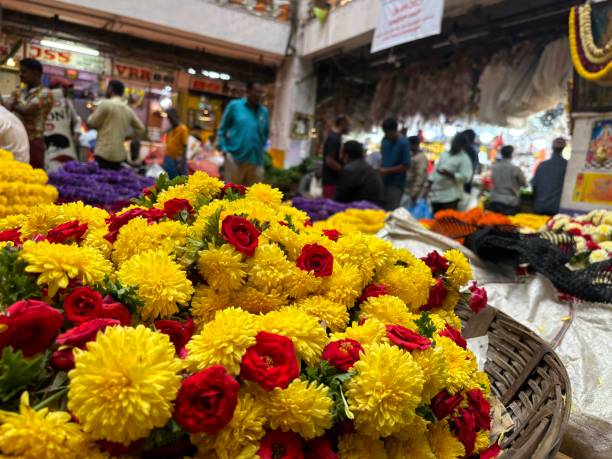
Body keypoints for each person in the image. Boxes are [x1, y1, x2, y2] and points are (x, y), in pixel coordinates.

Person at [218, 81, 270, 186]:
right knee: (232, 194)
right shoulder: (234, 106)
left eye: (261, 92)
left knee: (252, 196)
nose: (259, 95)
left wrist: (260, 147)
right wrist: (224, 149)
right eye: (257, 92)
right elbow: (222, 129)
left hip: (256, 161)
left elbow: (266, 133)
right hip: (235, 158)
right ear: (248, 91)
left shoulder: (264, 112)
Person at [87, 79, 145, 170]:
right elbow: (141, 129)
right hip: (119, 156)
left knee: (100, 181)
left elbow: (91, 123)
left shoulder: (105, 104)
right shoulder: (128, 110)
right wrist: (127, 137)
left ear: (110, 89)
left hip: (103, 153)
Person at [7, 58, 54, 169]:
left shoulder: (45, 93)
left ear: (36, 73)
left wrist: (13, 105)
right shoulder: (20, 92)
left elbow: (26, 110)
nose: (20, 75)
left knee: (32, 173)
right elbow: (7, 108)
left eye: (24, 71)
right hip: (15, 138)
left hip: (33, 141)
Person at [428, 132, 473, 213]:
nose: (454, 145)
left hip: (450, 196)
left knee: (446, 222)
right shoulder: (444, 154)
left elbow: (466, 177)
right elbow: (435, 170)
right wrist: (429, 185)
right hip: (436, 194)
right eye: (453, 142)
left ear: (462, 146)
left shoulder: (464, 159)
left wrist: (450, 174)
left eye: (457, 143)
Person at [45, 79, 82, 171]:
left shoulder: (67, 103)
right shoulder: (45, 101)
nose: (66, 90)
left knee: (65, 166)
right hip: (49, 141)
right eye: (63, 88)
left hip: (65, 141)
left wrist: (76, 134)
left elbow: (77, 120)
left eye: (66, 88)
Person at [335, 140, 384, 207]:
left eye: (341, 153)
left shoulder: (349, 170)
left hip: (359, 211)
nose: (340, 157)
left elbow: (339, 199)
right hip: (376, 210)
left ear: (346, 155)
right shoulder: (369, 169)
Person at [379, 118, 411, 211]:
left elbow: (406, 165)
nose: (386, 135)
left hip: (396, 184)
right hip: (383, 181)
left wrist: (387, 170)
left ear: (394, 130)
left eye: (388, 132)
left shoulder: (403, 143)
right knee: (380, 209)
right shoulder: (385, 140)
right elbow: (383, 158)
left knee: (390, 210)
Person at [531, 138, 568, 216]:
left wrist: (535, 202)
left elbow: (534, 185)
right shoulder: (567, 166)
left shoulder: (542, 165)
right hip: (555, 209)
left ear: (552, 148)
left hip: (539, 207)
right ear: (564, 148)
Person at [489, 145, 527, 215]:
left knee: (494, 222)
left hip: (495, 200)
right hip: (510, 203)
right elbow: (524, 184)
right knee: (506, 224)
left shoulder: (494, 167)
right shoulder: (515, 169)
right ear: (511, 154)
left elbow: (491, 181)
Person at [321, 115, 350, 198]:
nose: (349, 128)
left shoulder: (337, 138)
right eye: (348, 125)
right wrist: (345, 171)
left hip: (333, 181)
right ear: (342, 123)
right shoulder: (333, 139)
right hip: (331, 181)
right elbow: (329, 160)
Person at [163, 108, 189, 178]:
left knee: (177, 181)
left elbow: (185, 146)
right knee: (168, 181)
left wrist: (181, 162)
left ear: (174, 117)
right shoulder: (172, 129)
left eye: (170, 118)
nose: (169, 121)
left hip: (177, 160)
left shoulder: (183, 129)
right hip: (168, 158)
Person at [404, 135, 429, 206]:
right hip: (407, 190)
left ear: (414, 145)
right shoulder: (411, 155)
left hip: (413, 192)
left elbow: (420, 177)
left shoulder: (420, 158)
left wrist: (414, 193)